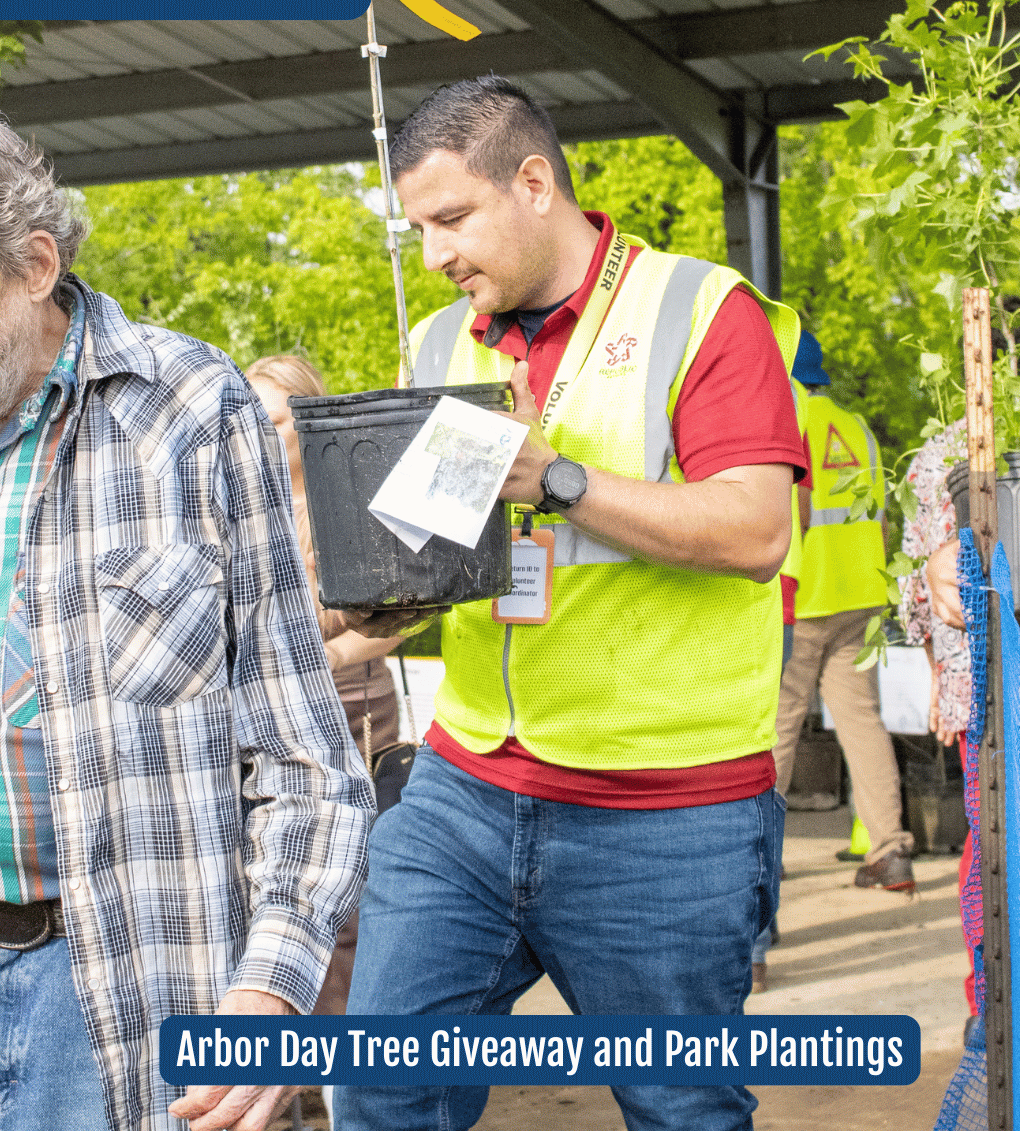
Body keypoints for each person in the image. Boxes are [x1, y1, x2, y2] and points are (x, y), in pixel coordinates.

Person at [335, 75, 806, 1131]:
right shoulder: (439, 344)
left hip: (667, 814)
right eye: (419, 229)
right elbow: (435, 554)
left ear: (535, 183)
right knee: (381, 1085)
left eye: (453, 219)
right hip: (464, 791)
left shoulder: (701, 311)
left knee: (681, 1110)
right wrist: (369, 608)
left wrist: (554, 478)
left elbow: (756, 532)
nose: (436, 254)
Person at [0, 120, 374, 1131]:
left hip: (119, 985)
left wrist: (271, 987)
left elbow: (306, 758)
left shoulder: (193, 410)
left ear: (35, 267)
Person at [246, 353, 403, 1024]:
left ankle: (344, 1056)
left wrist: (330, 653)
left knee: (343, 905)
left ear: (309, 423)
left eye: (275, 420)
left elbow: (402, 613)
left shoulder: (352, 505)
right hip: (262, 729)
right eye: (250, 418)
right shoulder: (239, 509)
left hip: (350, 719)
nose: (259, 434)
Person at [899, 418, 1020, 1022]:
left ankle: (988, 1005)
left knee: (993, 840)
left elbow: (918, 591)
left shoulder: (934, 453)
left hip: (984, 682)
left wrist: (942, 680)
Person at [772, 332, 916, 891]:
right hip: (861, 598)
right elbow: (881, 518)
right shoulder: (857, 429)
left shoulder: (791, 418)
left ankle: (760, 855)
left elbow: (796, 509)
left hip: (806, 597)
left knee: (779, 727)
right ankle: (890, 852)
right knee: (861, 723)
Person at [751, 374, 812, 992]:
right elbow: (804, 508)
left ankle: (750, 942)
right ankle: (755, 939)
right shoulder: (787, 396)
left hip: (722, 601)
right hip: (780, 596)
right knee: (756, 762)